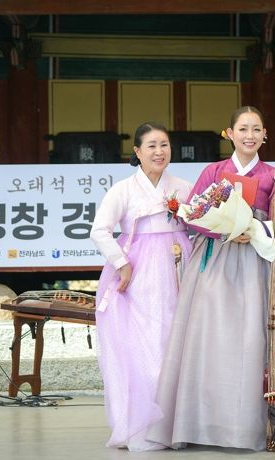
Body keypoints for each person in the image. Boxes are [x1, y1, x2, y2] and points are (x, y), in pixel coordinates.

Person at [147, 106, 275, 451]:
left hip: (258, 262)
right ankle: (206, 424)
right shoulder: (214, 171)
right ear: (230, 134)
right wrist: (224, 230)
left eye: (256, 129)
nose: (249, 135)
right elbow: (192, 216)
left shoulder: (274, 175)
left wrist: (255, 226)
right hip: (216, 262)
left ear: (265, 135)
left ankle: (259, 425)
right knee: (212, 338)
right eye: (243, 129)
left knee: (257, 338)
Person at [90, 122, 193, 451]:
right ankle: (142, 425)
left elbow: (202, 223)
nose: (159, 152)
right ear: (137, 151)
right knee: (145, 343)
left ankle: (176, 426)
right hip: (138, 273)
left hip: (178, 264)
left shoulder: (183, 187)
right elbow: (99, 230)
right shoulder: (123, 190)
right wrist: (121, 263)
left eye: (164, 145)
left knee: (176, 341)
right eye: (151, 146)